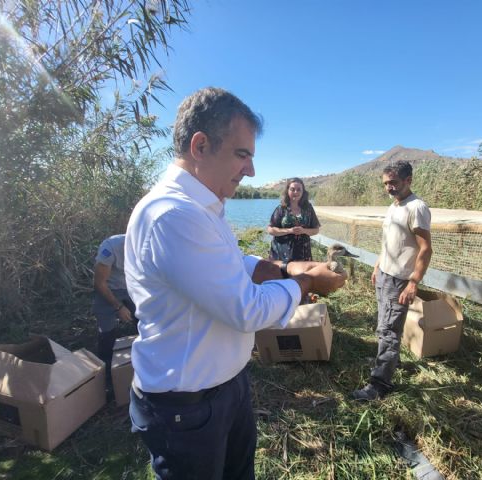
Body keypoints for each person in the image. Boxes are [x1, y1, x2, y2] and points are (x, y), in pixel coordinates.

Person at [124, 87, 346, 479]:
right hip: (186, 410)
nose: (252, 171)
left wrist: (282, 270)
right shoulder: (174, 215)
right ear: (201, 145)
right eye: (242, 154)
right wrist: (307, 282)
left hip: (225, 388)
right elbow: (247, 310)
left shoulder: (204, 207)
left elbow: (227, 262)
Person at [352, 160, 432, 401]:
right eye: (386, 183)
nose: (389, 188)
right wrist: (378, 266)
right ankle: (385, 362)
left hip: (400, 280)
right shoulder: (394, 206)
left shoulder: (416, 207)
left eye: (394, 183)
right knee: (383, 324)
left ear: (408, 180)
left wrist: (413, 282)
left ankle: (380, 384)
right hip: (385, 275)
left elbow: (425, 249)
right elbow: (389, 243)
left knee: (389, 330)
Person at [92, 234, 137, 379]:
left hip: (131, 286)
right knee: (106, 332)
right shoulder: (110, 248)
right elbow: (100, 283)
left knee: (144, 319)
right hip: (108, 287)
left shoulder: (148, 246)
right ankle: (106, 374)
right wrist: (118, 307)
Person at [267, 178, 320, 261]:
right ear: (287, 191)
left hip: (303, 255)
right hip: (280, 256)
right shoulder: (281, 209)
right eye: (292, 189)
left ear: (303, 192)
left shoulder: (308, 208)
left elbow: (316, 230)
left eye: (299, 189)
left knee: (304, 274)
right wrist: (289, 231)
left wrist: (304, 231)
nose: (296, 192)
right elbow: (270, 230)